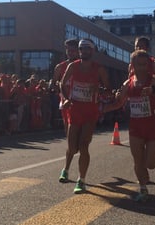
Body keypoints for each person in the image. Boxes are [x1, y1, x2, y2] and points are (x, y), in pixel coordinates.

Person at [102, 50, 155, 201]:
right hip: (135, 127)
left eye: (144, 64)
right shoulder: (127, 84)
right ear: (132, 65)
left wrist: (154, 90)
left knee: (151, 164)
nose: (142, 68)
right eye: (138, 65)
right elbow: (119, 103)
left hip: (153, 126)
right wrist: (103, 109)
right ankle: (143, 188)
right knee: (138, 160)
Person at [58, 38, 110, 194]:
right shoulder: (73, 66)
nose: (84, 52)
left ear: (92, 51)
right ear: (79, 51)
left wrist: (99, 89)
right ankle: (66, 168)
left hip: (90, 111)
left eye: (87, 49)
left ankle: (81, 180)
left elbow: (108, 88)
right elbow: (62, 83)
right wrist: (66, 99)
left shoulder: (99, 69)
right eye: (82, 49)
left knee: (84, 145)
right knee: (72, 147)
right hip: (74, 109)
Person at [52, 39, 79, 134]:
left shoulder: (83, 66)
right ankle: (71, 147)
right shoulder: (60, 67)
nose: (71, 53)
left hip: (81, 101)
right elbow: (53, 83)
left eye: (73, 51)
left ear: (78, 51)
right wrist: (58, 89)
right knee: (68, 126)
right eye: (69, 50)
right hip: (66, 102)